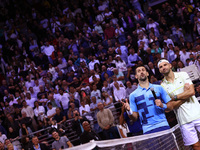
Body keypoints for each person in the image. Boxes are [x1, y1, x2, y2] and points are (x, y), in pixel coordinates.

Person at [123, 65, 188, 134]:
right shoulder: (133, 95)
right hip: (148, 130)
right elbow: (135, 118)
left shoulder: (159, 88)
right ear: (136, 76)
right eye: (139, 71)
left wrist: (162, 105)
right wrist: (129, 111)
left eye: (143, 70)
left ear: (147, 73)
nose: (141, 72)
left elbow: (171, 106)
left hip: (163, 125)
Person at [158, 59, 200, 149]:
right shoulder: (162, 86)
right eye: (160, 67)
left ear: (170, 65)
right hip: (183, 120)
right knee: (195, 146)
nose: (163, 67)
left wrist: (174, 97)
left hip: (198, 114)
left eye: (165, 65)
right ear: (159, 71)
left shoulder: (183, 74)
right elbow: (171, 106)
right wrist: (185, 93)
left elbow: (192, 92)